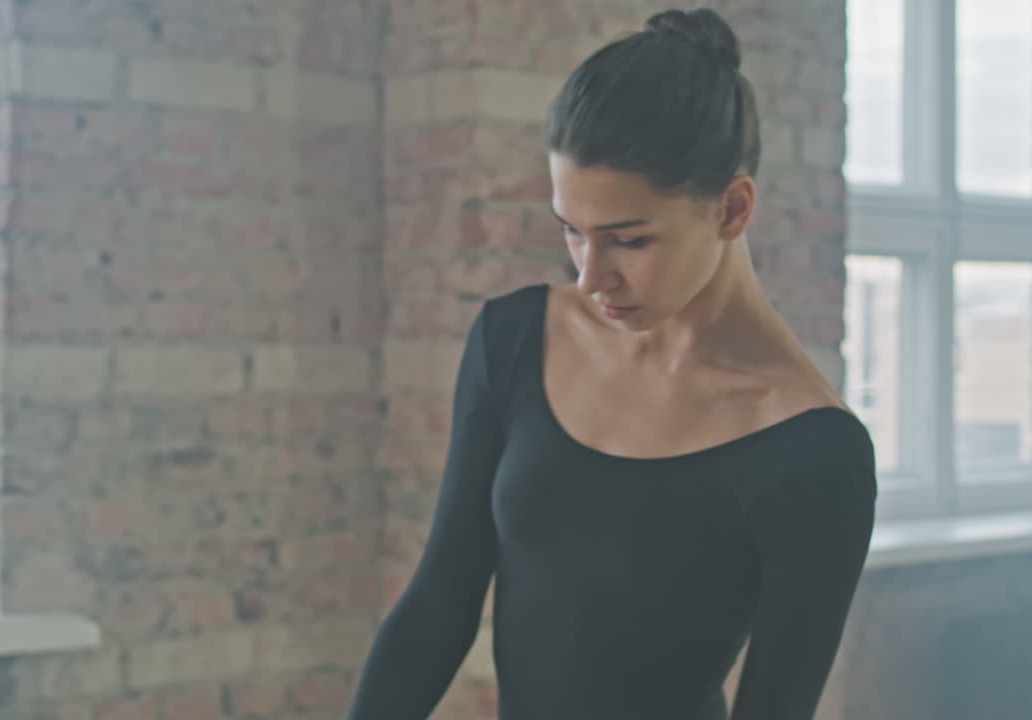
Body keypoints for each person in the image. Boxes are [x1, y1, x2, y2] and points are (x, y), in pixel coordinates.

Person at [346, 8, 876, 720]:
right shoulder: (513, 340)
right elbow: (439, 602)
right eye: (573, 232)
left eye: (629, 240)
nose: (593, 276)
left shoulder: (814, 452)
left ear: (732, 209)